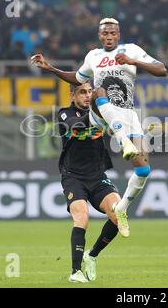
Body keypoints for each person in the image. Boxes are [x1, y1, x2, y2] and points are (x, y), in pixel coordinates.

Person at [31, 18, 168, 237]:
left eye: (113, 33)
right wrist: (51, 69)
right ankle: (123, 141)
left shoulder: (131, 50)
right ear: (100, 35)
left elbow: (162, 70)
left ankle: (121, 208)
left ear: (118, 33)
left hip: (127, 114)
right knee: (97, 91)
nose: (109, 37)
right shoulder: (93, 56)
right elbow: (77, 78)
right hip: (99, 113)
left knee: (143, 170)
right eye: (105, 33)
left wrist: (134, 62)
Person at [58, 82, 122, 283]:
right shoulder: (64, 114)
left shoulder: (102, 111)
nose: (87, 96)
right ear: (72, 95)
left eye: (89, 92)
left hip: (97, 176)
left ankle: (92, 255)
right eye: (82, 92)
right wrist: (99, 110)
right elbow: (74, 126)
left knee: (118, 214)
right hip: (73, 176)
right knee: (82, 217)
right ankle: (75, 272)